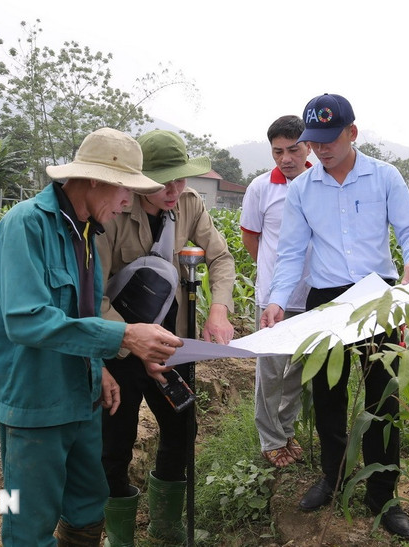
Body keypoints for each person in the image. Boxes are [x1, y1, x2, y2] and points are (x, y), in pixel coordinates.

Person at [0, 127, 184, 546]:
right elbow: (26, 321)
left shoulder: (85, 231)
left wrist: (99, 366)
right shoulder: (26, 226)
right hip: (35, 398)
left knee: (89, 500)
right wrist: (125, 336)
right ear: (93, 180)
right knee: (30, 522)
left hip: (80, 392)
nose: (127, 201)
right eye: (124, 189)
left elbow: (82, 311)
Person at [260, 94, 409, 539]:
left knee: (383, 400)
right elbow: (292, 252)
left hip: (379, 297)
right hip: (326, 301)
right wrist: (277, 300)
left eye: (330, 140)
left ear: (352, 133)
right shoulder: (302, 189)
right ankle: (332, 480)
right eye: (313, 142)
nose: (321, 150)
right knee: (329, 397)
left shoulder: (385, 177)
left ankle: (384, 496)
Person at [96, 129, 236, 546]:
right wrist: (131, 344)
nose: (175, 190)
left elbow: (220, 255)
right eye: (164, 182)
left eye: (181, 179)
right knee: (114, 442)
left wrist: (218, 308)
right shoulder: (114, 212)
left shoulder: (189, 205)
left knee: (181, 430)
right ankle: (119, 535)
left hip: (173, 347)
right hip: (120, 348)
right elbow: (93, 296)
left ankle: (166, 526)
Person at [240, 115, 312, 468]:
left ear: (308, 147)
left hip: (313, 297)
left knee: (298, 371)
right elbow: (251, 237)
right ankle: (270, 439)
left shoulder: (322, 181)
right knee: (270, 371)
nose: (285, 158)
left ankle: (285, 429)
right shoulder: (260, 188)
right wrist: (272, 276)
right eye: (278, 151)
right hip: (273, 298)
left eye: (293, 149)